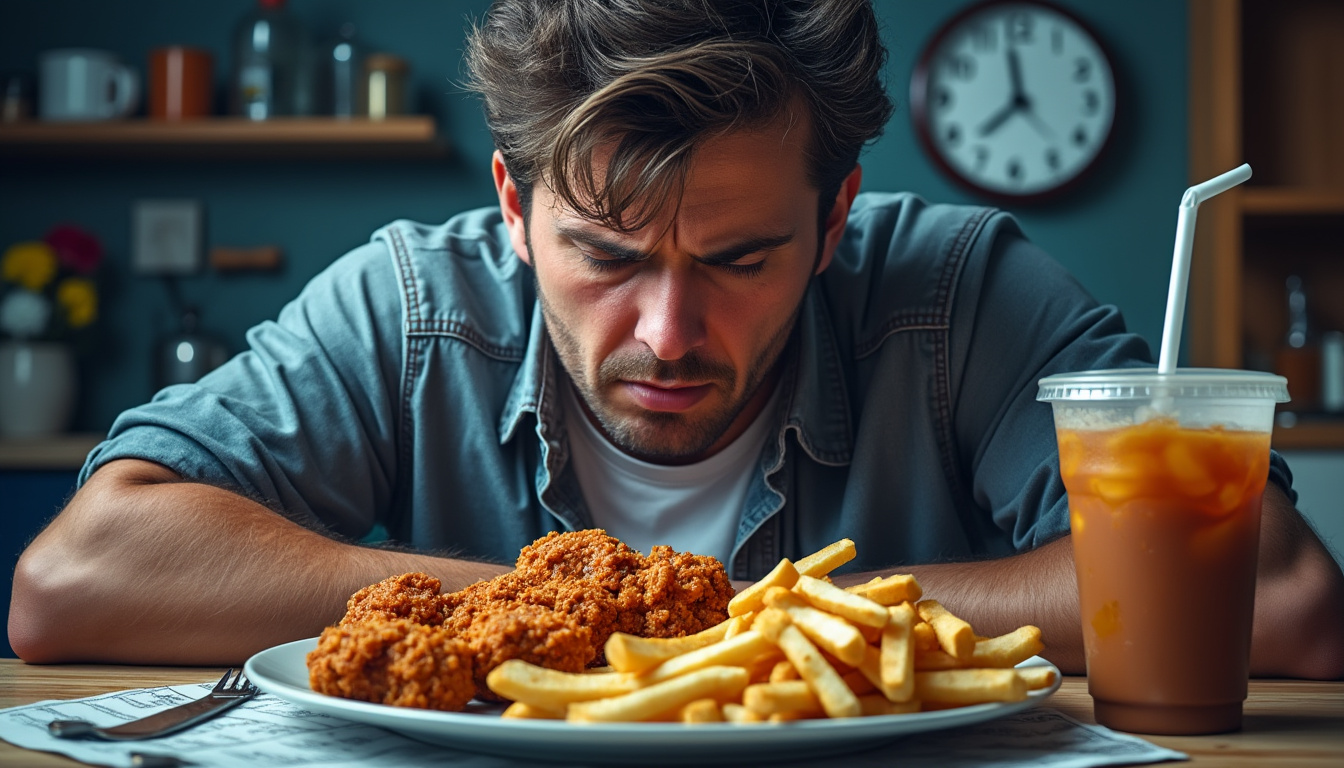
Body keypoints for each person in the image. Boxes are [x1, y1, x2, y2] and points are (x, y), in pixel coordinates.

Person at [10, 0, 1343, 678]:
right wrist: (561, 611)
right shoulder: (414, 304)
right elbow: (71, 585)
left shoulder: (956, 292)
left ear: (833, 222)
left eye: (740, 258)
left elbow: (1278, 600)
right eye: (603, 254)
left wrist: (753, 630)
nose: (665, 329)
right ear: (516, 211)